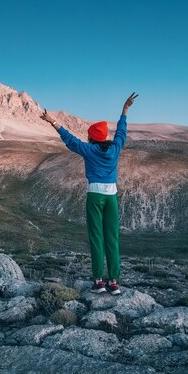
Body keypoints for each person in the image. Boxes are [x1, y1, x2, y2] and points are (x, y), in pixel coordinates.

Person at [40, 93, 138, 295]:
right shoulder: (115, 148)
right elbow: (122, 132)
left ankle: (98, 282)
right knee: (112, 238)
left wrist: (53, 122)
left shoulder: (88, 149)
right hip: (111, 197)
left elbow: (70, 140)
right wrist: (125, 110)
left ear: (92, 137)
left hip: (94, 196)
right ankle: (114, 283)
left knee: (96, 237)